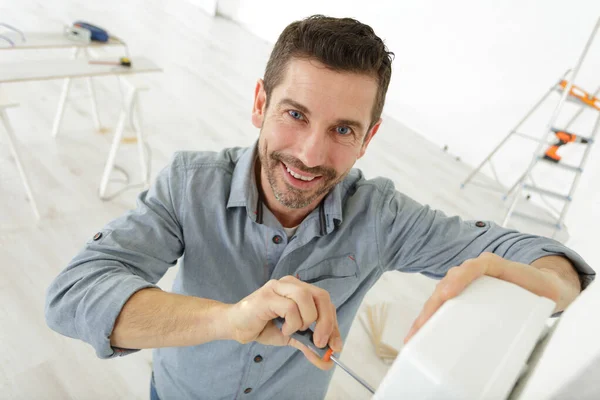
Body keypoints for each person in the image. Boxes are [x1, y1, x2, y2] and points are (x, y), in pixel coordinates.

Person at [45, 15, 595, 400]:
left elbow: (559, 263)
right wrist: (230, 320)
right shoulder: (189, 186)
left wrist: (527, 276)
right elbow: (73, 295)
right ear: (260, 103)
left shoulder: (382, 217)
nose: (310, 156)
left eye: (343, 129)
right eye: (296, 114)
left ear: (369, 137)